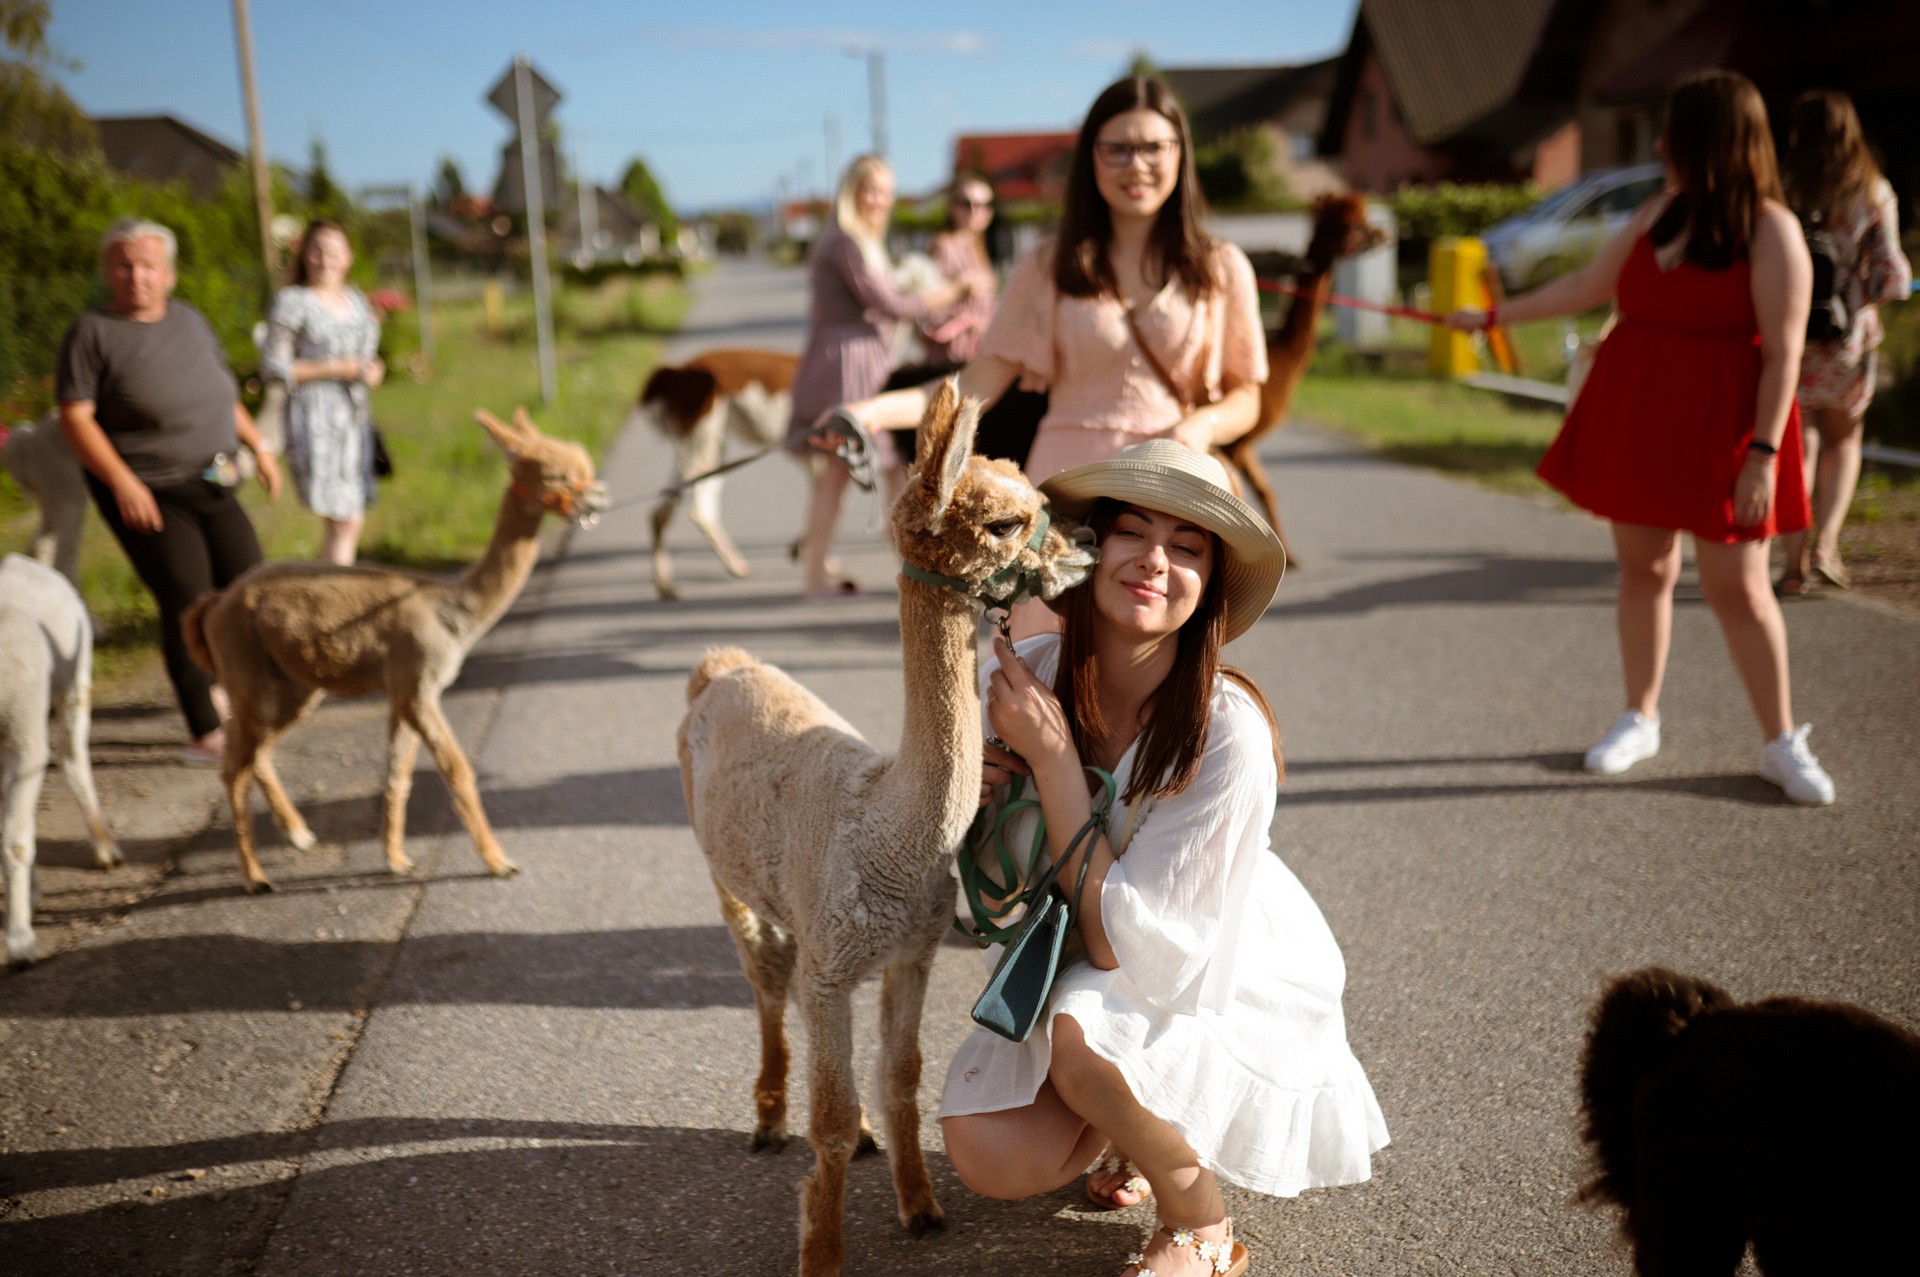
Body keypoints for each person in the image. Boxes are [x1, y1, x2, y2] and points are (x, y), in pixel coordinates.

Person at [941, 441, 1387, 1277]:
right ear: (1088, 550)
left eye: (1186, 547)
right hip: (1091, 948)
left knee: (1082, 1036)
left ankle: (1199, 1220)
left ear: (1211, 581)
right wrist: (979, 791)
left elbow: (1132, 949)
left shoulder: (1229, 733)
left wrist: (1055, 764)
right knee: (989, 1152)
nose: (1155, 560)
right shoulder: (1031, 672)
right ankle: (1124, 1126)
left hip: (1209, 964)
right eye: (1132, 533)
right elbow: (992, 887)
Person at [1447, 70, 1834, 805]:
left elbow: (1783, 353)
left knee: (1740, 588)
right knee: (1644, 571)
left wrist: (1762, 454)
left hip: (1728, 424)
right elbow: (1585, 289)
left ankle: (1781, 740)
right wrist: (1491, 318)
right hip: (1644, 413)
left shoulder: (1772, 230)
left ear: (1710, 141)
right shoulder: (1661, 209)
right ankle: (1640, 716)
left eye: (1672, 132)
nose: (1658, 144)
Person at [831, 76, 1269, 637]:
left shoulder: (1221, 267)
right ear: (1091, 158)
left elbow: (1247, 394)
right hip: (1067, 493)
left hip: (1171, 488)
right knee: (1043, 665)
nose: (1137, 164)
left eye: (1155, 147)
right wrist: (868, 413)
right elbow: (979, 380)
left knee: (1162, 675)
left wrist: (1202, 427)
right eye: (1118, 148)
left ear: (1181, 155)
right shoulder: (1045, 266)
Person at [56, 217, 282, 762]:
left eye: (148, 266)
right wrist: (123, 482)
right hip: (147, 487)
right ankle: (204, 731)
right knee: (189, 599)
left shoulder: (189, 321)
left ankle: (238, 690)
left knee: (248, 583)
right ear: (109, 271)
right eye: (125, 265)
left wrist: (260, 447)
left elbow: (221, 393)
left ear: (170, 274)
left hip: (212, 475)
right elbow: (76, 418)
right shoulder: (92, 333)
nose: (137, 276)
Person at [790, 154, 968, 599]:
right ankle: (875, 574)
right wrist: (949, 292)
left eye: (886, 192)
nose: (880, 201)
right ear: (852, 191)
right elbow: (889, 303)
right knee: (862, 467)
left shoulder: (849, 239)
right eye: (871, 191)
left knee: (873, 469)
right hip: (851, 365)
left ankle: (895, 570)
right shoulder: (847, 242)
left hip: (852, 359)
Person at [1775, 90, 1912, 595]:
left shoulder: (1785, 188)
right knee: (1843, 440)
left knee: (1802, 439)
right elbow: (1893, 277)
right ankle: (1827, 545)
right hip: (1847, 337)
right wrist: (1864, 297)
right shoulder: (1872, 192)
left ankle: (1793, 563)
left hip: (1792, 335)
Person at [261, 218, 386, 566]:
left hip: (354, 419)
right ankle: (331, 598)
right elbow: (273, 366)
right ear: (304, 256)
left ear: (348, 257)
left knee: (349, 519)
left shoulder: (356, 300)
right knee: (345, 520)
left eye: (333, 251)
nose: (324, 259)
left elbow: (363, 357)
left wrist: (371, 369)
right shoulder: (293, 302)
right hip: (315, 417)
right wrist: (338, 369)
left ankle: (329, 595)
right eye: (316, 250)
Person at [920, 174, 999, 364]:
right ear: (953, 208)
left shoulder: (978, 248)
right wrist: (960, 293)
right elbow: (926, 305)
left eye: (983, 205)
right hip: (951, 355)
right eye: (966, 203)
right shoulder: (944, 247)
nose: (974, 211)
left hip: (978, 351)